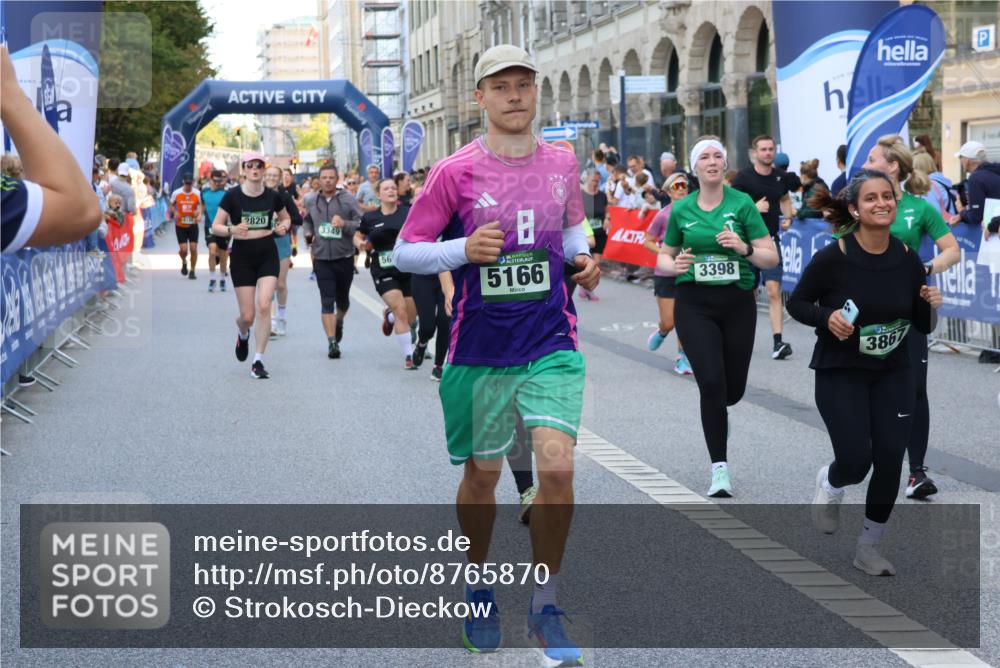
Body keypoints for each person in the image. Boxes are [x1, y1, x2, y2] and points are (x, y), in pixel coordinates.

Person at [393, 44, 599, 665]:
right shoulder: (454, 171)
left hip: (550, 342)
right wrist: (462, 251)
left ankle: (545, 602)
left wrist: (584, 261)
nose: (514, 95)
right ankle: (479, 584)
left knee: (557, 471)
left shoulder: (562, 162)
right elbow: (407, 253)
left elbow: (569, 233)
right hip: (479, 349)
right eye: (501, 86)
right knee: (481, 477)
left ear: (536, 94)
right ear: (479, 97)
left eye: (524, 85)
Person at [787, 169, 943, 576]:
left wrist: (930, 303)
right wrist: (827, 318)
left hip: (894, 370)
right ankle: (832, 481)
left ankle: (869, 546)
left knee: (891, 457)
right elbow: (798, 303)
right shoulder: (834, 257)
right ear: (854, 208)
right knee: (857, 459)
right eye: (871, 198)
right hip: (841, 370)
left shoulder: (908, 259)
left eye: (887, 196)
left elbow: (923, 325)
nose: (882, 203)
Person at [657, 136, 779, 497]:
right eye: (704, 157)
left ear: (724, 165)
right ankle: (720, 470)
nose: (712, 161)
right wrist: (673, 263)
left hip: (737, 302)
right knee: (710, 382)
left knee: (732, 390)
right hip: (694, 303)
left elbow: (769, 257)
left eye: (718, 156)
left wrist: (743, 248)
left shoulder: (742, 205)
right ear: (694, 168)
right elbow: (663, 257)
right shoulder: (681, 209)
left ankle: (719, 414)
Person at [863, 134, 960, 498]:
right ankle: (868, 457)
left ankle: (916, 472)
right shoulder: (858, 205)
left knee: (915, 388)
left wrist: (925, 266)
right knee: (870, 384)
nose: (866, 164)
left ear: (893, 167)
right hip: (869, 313)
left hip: (911, 310)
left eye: (872, 158)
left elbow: (952, 250)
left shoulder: (919, 209)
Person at [210, 152, 291, 379]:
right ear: (244, 170)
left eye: (259, 166)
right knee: (248, 315)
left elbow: (285, 218)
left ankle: (258, 361)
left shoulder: (272, 197)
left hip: (267, 254)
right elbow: (216, 226)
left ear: (264, 170)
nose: (255, 170)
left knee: (265, 305)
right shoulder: (232, 196)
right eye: (250, 166)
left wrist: (283, 226)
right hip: (243, 257)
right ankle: (243, 332)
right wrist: (231, 230)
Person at [731, 135, 795, 360]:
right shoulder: (744, 178)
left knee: (773, 290)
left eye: (770, 149)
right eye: (763, 149)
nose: (768, 153)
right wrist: (752, 207)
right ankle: (739, 337)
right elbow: (731, 206)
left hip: (771, 241)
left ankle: (778, 342)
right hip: (746, 243)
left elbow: (785, 199)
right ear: (755, 153)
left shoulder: (781, 177)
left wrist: (788, 217)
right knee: (747, 293)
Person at [302, 163, 364, 359]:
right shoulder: (311, 200)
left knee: (343, 301)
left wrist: (345, 224)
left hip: (344, 257)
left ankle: (339, 321)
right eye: (324, 177)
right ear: (318, 180)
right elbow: (307, 220)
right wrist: (308, 233)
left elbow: (362, 222)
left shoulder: (348, 199)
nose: (327, 180)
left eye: (331, 177)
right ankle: (332, 342)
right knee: (326, 300)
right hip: (321, 258)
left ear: (337, 180)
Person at [357, 178, 418, 368]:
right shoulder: (370, 218)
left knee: (410, 317)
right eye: (386, 188)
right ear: (378, 194)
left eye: (393, 188)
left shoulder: (408, 213)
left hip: (408, 267)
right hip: (383, 269)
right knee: (400, 310)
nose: (391, 190)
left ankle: (390, 317)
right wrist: (360, 244)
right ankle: (409, 356)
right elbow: (358, 235)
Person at [644, 172, 692, 374]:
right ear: (668, 191)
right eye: (677, 185)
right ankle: (663, 331)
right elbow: (647, 241)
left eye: (684, 185)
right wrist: (665, 253)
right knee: (670, 321)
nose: (682, 188)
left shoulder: (695, 212)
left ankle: (683, 358)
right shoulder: (663, 215)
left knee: (684, 317)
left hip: (688, 272)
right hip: (665, 274)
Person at [265, 166, 298, 336]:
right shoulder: (257, 194)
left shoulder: (284, 196)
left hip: (281, 242)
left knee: (280, 284)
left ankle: (281, 317)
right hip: (263, 242)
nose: (271, 178)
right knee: (267, 283)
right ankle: (270, 322)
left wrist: (283, 222)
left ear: (279, 178)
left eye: (274, 176)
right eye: (268, 175)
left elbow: (296, 217)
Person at [950, 140, 1000, 230]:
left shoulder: (976, 178)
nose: (960, 162)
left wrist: (962, 213)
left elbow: (976, 217)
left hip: (992, 237)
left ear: (966, 161)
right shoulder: (995, 172)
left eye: (960, 158)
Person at [579, 169, 608, 300]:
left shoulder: (602, 195)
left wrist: (608, 218)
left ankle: (584, 287)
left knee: (596, 262)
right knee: (587, 262)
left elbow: (607, 210)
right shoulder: (580, 194)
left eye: (597, 180)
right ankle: (588, 289)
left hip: (600, 233)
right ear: (587, 179)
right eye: (593, 180)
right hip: (585, 234)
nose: (595, 183)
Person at [202, 169, 230, 292]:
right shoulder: (204, 192)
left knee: (223, 255)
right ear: (211, 180)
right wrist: (198, 214)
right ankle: (212, 279)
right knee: (212, 251)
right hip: (209, 226)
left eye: (220, 181)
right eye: (216, 181)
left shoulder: (226, 194)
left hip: (223, 227)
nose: (218, 183)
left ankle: (222, 279)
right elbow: (201, 207)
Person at [170, 175, 202, 279]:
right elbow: (171, 204)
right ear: (183, 182)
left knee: (193, 248)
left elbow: (202, 205)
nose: (188, 186)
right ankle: (184, 261)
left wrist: (199, 213)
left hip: (193, 224)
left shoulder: (197, 193)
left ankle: (192, 270)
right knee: (183, 250)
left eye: (190, 184)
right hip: (180, 225)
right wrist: (175, 212)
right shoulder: (176, 193)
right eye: (186, 184)